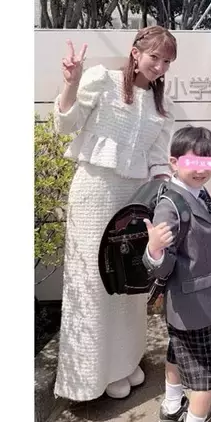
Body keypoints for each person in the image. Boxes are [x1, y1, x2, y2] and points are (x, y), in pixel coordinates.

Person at [53, 26, 177, 401]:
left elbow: (158, 158)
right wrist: (71, 83)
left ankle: (123, 363)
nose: (159, 66)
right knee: (94, 280)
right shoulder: (101, 80)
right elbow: (65, 124)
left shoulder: (162, 105)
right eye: (154, 57)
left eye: (167, 61)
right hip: (94, 192)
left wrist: (162, 195)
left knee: (128, 279)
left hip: (134, 198)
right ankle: (91, 376)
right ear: (136, 52)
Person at [142, 126, 211, 422]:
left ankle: (171, 407)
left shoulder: (197, 193)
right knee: (207, 374)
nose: (202, 169)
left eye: (209, 162)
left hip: (190, 303)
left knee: (176, 353)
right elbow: (160, 265)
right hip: (196, 307)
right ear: (174, 162)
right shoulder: (172, 206)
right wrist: (154, 249)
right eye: (194, 162)